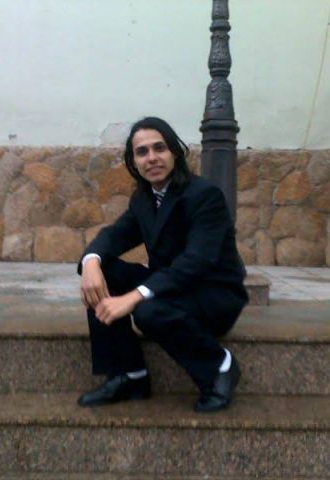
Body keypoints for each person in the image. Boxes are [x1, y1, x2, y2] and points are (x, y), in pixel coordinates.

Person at [77, 116, 248, 412]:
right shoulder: (144, 199)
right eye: (142, 152)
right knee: (103, 271)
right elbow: (115, 235)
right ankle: (129, 374)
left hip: (212, 296)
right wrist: (91, 262)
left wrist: (134, 296)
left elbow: (195, 262)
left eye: (160, 148)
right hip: (171, 289)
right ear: (134, 162)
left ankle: (220, 367)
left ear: (175, 153)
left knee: (148, 311)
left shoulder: (204, 196)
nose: (152, 158)